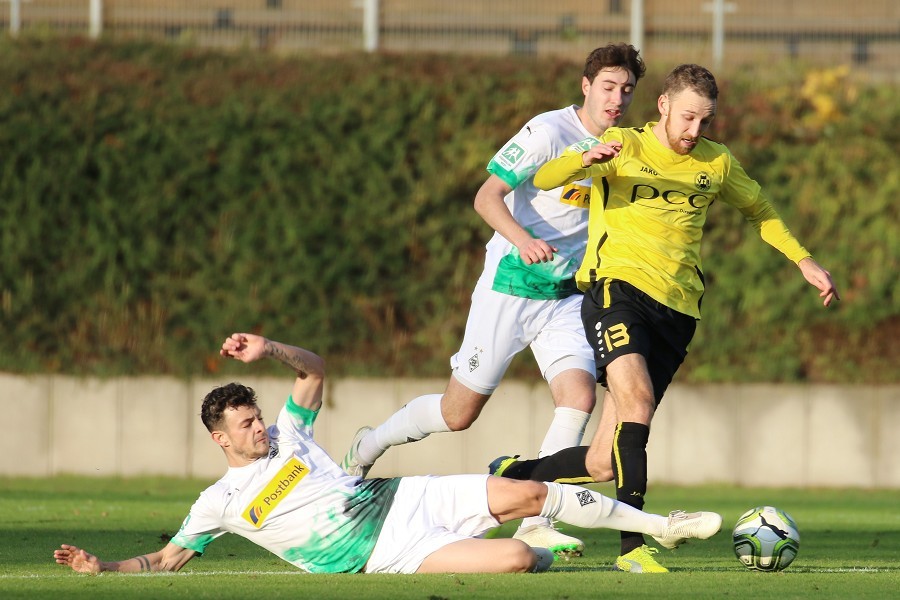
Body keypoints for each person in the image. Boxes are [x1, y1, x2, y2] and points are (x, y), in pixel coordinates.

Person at [489, 63, 840, 574]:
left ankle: (515, 472)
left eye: (705, 121)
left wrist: (803, 260)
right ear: (664, 106)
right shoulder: (622, 146)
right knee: (638, 402)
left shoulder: (715, 163)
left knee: (603, 462)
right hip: (616, 289)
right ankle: (634, 546)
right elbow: (542, 178)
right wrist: (582, 159)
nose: (693, 131)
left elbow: (760, 212)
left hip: (678, 311)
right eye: (688, 118)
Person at [53, 332, 722, 576]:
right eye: (245, 425)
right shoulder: (216, 504)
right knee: (520, 557)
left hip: (406, 497)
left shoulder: (290, 435)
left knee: (533, 494)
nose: (258, 429)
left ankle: (662, 528)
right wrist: (104, 566)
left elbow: (313, 373)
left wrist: (272, 350)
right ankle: (548, 545)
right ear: (219, 439)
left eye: (256, 417)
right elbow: (167, 560)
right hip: (389, 556)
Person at [339, 43, 647, 557]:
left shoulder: (626, 143)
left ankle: (535, 518)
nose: (617, 98)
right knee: (459, 413)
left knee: (579, 398)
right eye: (609, 87)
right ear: (586, 85)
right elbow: (486, 196)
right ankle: (371, 443)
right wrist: (523, 240)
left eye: (628, 90)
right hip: (510, 287)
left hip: (567, 295)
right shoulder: (548, 132)